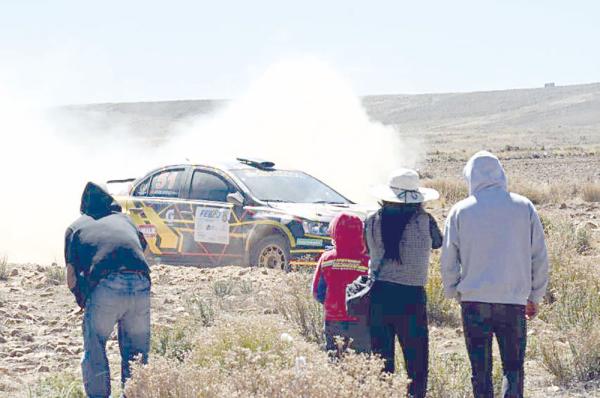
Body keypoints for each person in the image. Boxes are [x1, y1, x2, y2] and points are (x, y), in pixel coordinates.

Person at [441, 151, 549, 398]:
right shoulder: (524, 207)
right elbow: (539, 255)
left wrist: (453, 291)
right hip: (513, 301)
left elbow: (448, 257)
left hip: (473, 300)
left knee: (480, 370)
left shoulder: (460, 211)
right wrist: (535, 295)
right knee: (513, 369)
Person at [65, 182, 151, 398]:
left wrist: (83, 301)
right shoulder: (126, 220)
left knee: (95, 346)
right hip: (141, 282)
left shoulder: (76, 228)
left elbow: (71, 277)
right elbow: (140, 249)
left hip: (106, 287)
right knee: (136, 354)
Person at [365, 168, 442, 398]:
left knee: (382, 362)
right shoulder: (425, 221)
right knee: (417, 364)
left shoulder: (371, 221)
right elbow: (438, 243)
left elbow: (368, 248)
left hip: (378, 294)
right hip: (411, 297)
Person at [312, 212, 371, 356]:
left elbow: (317, 292)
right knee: (361, 364)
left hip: (333, 319)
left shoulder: (327, 259)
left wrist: (332, 304)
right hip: (361, 321)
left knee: (335, 361)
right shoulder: (368, 261)